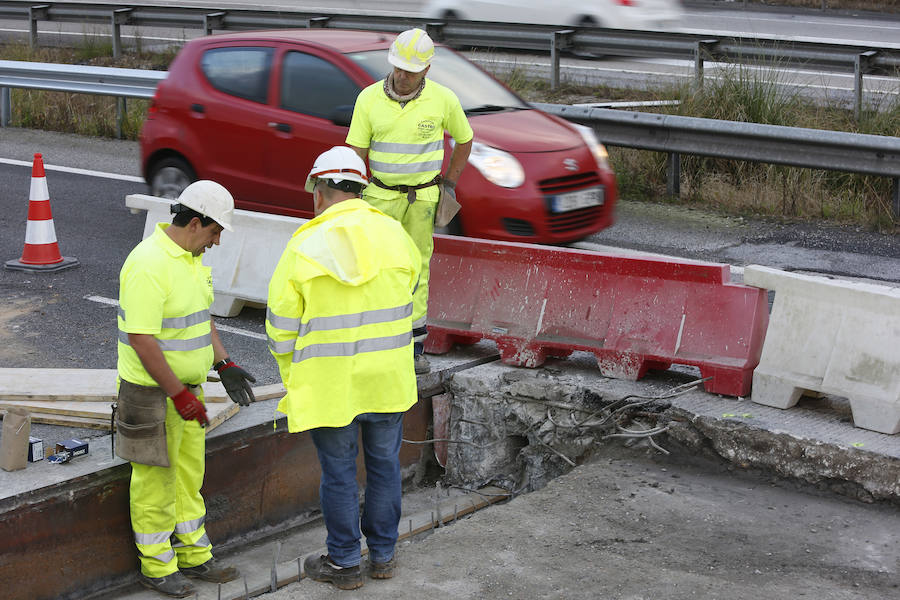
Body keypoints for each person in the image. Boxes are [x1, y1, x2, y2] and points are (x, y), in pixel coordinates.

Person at [266, 147, 421, 590]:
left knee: (339, 473)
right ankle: (384, 557)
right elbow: (410, 291)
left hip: (330, 386)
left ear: (319, 190)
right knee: (385, 466)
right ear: (360, 189)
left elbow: (280, 327)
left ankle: (345, 563)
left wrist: (293, 379)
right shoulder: (395, 236)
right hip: (387, 380)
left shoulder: (304, 245)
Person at [116, 180, 257, 598]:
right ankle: (158, 567)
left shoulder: (190, 261)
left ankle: (195, 556)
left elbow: (201, 319)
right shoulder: (148, 264)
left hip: (186, 392)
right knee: (155, 482)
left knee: (188, 477)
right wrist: (177, 393)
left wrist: (223, 362)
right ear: (196, 223)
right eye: (215, 233)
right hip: (152, 396)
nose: (216, 242)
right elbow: (142, 339)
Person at [346, 27, 473, 375]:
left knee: (417, 270)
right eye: (398, 68)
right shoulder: (369, 99)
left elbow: (465, 140)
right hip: (380, 196)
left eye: (411, 71)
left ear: (427, 71)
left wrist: (449, 184)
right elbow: (356, 151)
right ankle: (371, 338)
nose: (402, 76)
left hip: (422, 199)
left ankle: (413, 345)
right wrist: (353, 196)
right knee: (373, 268)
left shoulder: (443, 99)